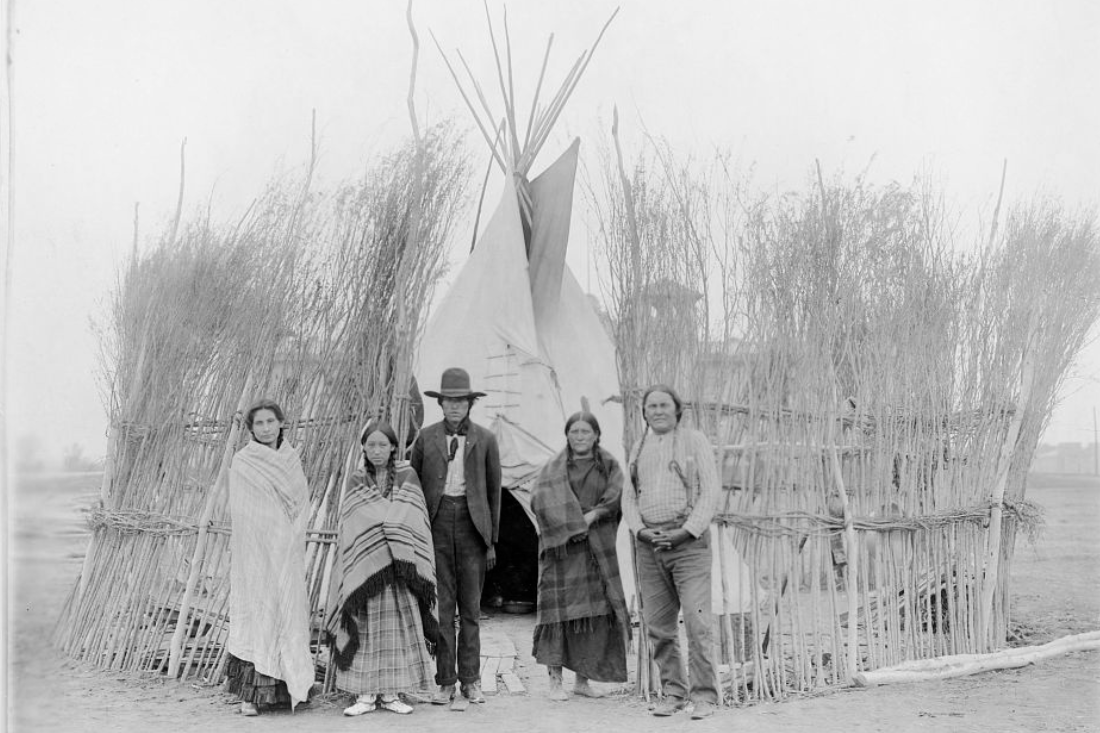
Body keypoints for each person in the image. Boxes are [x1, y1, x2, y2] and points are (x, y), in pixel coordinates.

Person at [325, 420, 439, 716]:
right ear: (363, 447)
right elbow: (355, 523)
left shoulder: (407, 476)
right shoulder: (356, 480)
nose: (377, 450)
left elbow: (413, 517)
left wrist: (389, 528)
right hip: (367, 570)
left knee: (396, 631)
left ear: (392, 448)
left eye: (382, 444)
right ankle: (364, 695)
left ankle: (390, 694)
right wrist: (390, 524)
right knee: (366, 628)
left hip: (400, 571)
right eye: (371, 444)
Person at [621, 385, 720, 720]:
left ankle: (704, 697)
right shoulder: (639, 447)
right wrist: (641, 531)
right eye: (652, 406)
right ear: (644, 412)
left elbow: (710, 492)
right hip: (650, 546)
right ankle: (673, 692)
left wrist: (685, 531)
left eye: (664, 405)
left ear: (677, 410)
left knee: (697, 621)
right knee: (659, 626)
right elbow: (629, 498)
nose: (658, 411)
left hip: (688, 544)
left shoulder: (695, 441)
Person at [410, 367, 502, 707]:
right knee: (443, 608)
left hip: (471, 525)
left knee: (472, 609)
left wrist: (490, 540)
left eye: (460, 401)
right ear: (441, 403)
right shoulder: (426, 438)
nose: (454, 407)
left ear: (470, 403)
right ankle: (445, 681)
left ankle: (471, 680)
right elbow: (414, 485)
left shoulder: (486, 439)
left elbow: (494, 494)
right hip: (436, 523)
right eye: (449, 400)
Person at [531, 411, 630, 701]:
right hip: (563, 551)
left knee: (593, 614)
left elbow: (617, 497)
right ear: (567, 435)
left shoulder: (609, 464)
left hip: (597, 548)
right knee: (558, 615)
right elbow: (540, 499)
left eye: (586, 432)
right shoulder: (554, 467)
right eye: (574, 431)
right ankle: (554, 682)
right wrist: (574, 522)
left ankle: (582, 681)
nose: (580, 437)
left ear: (597, 435)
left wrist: (593, 515)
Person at [225, 399, 315, 716]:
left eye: (270, 422)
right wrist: (268, 533)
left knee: (286, 611)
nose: (265, 428)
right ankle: (249, 696)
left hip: (286, 549)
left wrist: (286, 536)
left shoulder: (291, 461)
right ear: (251, 430)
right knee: (258, 610)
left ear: (281, 423)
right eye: (259, 424)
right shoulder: (244, 462)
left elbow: (300, 504)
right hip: (256, 553)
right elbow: (244, 511)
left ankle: (283, 691)